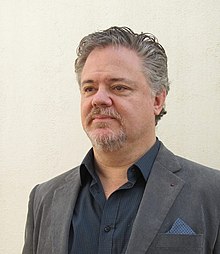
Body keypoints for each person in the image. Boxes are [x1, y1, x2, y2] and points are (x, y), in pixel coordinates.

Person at [22, 26, 220, 254]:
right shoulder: (44, 198)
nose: (99, 99)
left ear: (157, 100)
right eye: (89, 88)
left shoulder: (212, 193)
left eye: (118, 87)